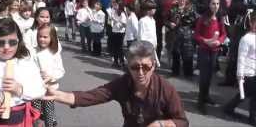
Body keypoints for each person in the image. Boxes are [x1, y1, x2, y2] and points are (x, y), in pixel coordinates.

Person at [43, 41, 189, 127]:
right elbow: (93, 96)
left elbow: (182, 121)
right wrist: (60, 95)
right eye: (134, 67)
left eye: (145, 67)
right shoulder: (122, 84)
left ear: (154, 66)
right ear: (128, 66)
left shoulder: (166, 89)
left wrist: (162, 124)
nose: (140, 72)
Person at [194, 0, 227, 114]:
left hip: (215, 51)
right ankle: (200, 101)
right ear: (209, 4)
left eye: (217, 4)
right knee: (204, 77)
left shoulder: (219, 19)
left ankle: (206, 96)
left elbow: (224, 34)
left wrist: (220, 41)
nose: (216, 6)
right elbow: (196, 35)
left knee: (209, 76)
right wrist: (205, 41)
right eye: (213, 3)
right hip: (204, 51)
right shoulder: (202, 18)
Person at [223, 11, 256, 125]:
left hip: (254, 72)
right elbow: (241, 58)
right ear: (251, 23)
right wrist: (240, 74)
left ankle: (229, 108)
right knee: (252, 95)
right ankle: (253, 118)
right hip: (247, 73)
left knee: (245, 94)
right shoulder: (246, 39)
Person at [32, 24, 65, 127]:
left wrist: (51, 76)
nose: (42, 39)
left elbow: (61, 71)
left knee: (49, 111)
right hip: (36, 88)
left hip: (50, 88)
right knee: (35, 111)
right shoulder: (33, 51)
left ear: (52, 38)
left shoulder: (54, 53)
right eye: (40, 37)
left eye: (45, 37)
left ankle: (50, 125)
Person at [166, 0, 196, 77]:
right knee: (176, 54)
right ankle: (175, 72)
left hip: (187, 36)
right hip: (175, 35)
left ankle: (188, 73)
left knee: (187, 56)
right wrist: (169, 23)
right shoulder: (172, 8)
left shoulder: (191, 9)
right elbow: (165, 20)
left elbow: (196, 21)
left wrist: (192, 30)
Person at [111, 1, 127, 68]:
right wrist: (112, 21)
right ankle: (115, 61)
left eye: (116, 5)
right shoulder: (113, 12)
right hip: (114, 31)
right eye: (114, 5)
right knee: (115, 47)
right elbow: (111, 21)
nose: (114, 6)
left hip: (120, 32)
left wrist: (116, 22)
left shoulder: (122, 14)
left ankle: (122, 62)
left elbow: (124, 24)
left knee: (120, 48)